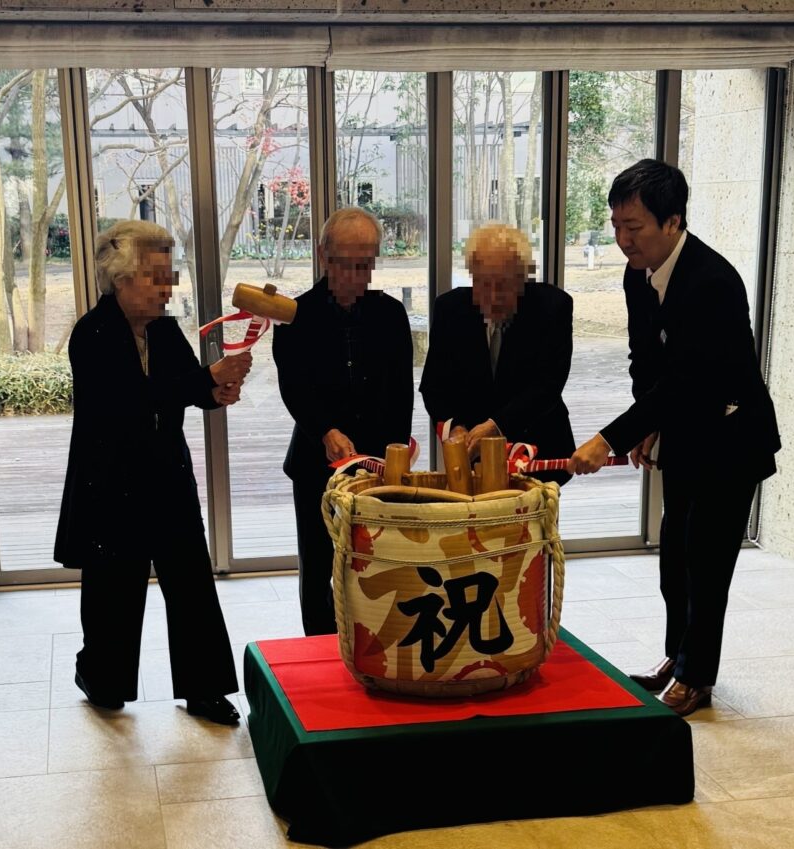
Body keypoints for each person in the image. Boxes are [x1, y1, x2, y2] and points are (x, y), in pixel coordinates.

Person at [570, 159, 781, 716]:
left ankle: (697, 676)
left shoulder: (712, 282)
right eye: (616, 226)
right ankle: (676, 656)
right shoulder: (637, 275)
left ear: (672, 221)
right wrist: (648, 422)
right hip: (686, 431)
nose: (623, 240)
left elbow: (689, 378)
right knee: (675, 559)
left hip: (732, 439)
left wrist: (610, 438)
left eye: (634, 227)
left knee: (707, 564)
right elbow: (646, 361)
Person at [54, 220, 252, 725]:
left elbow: (187, 388)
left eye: (169, 276)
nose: (167, 288)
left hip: (167, 477)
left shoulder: (163, 330)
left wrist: (217, 390)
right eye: (156, 276)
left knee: (191, 583)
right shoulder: (91, 335)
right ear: (120, 278)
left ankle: (205, 688)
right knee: (113, 591)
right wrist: (204, 379)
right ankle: (100, 675)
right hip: (111, 483)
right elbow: (127, 405)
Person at [273, 207, 414, 636]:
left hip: (377, 468)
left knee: (377, 566)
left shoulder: (391, 314)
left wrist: (396, 455)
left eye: (365, 265)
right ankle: (319, 653)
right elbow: (293, 387)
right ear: (323, 255)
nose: (356, 276)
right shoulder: (294, 315)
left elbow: (401, 393)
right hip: (315, 462)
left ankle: (375, 648)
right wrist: (325, 430)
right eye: (345, 264)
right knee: (318, 568)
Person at [420, 223, 574, 483]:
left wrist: (496, 425)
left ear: (523, 278)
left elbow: (548, 384)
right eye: (482, 283)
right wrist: (455, 427)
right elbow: (434, 387)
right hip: (473, 459)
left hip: (538, 451)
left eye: (503, 285)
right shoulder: (450, 309)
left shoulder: (552, 307)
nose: (492, 296)